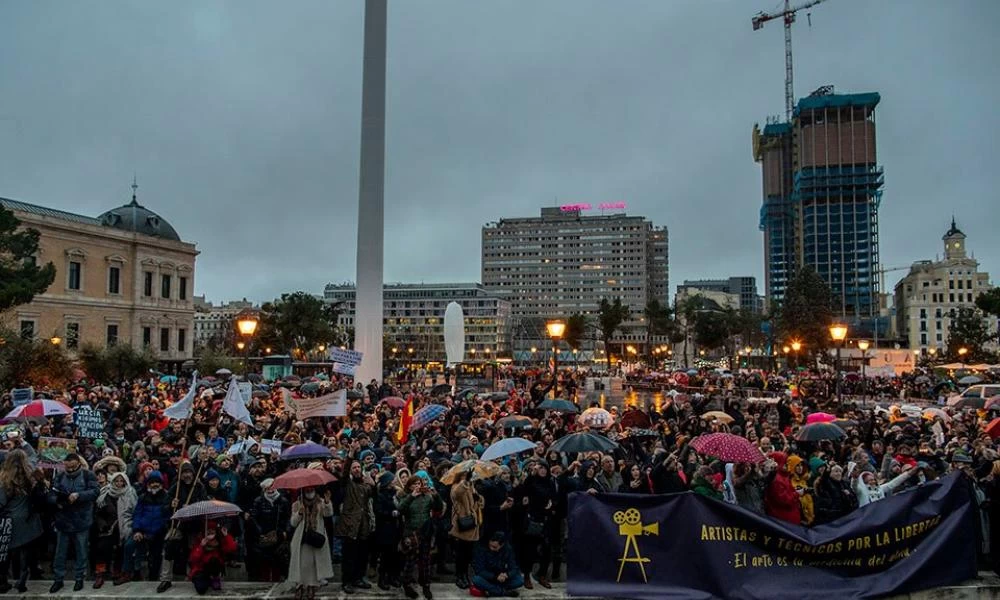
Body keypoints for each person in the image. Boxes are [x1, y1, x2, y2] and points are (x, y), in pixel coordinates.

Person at [47, 453, 99, 593]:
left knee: (81, 550)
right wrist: (57, 501)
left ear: (78, 464)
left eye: (72, 467)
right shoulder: (59, 477)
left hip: (81, 520)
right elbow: (51, 494)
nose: (69, 470)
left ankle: (79, 578)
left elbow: (95, 492)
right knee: (60, 553)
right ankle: (58, 579)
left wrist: (79, 495)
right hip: (63, 520)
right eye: (67, 467)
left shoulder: (88, 475)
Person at [0, 450, 45, 594]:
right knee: (27, 553)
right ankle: (22, 581)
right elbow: (40, 498)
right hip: (29, 520)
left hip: (10, 521)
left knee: (5, 553)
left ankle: (3, 582)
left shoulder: (4, 479)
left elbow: (1, 502)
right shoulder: (31, 477)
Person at [398, 472, 444, 599]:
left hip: (425, 533)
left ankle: (426, 585)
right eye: (415, 484)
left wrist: (436, 495)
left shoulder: (427, 497)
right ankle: (407, 585)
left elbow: (438, 508)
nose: (418, 486)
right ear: (410, 486)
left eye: (419, 483)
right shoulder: (405, 496)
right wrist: (411, 496)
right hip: (411, 533)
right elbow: (400, 509)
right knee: (410, 561)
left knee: (425, 561)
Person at [333, 458, 376, 594]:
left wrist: (374, 485)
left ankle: (358, 578)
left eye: (358, 467)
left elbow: (374, 497)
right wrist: (350, 455)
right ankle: (347, 581)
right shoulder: (348, 484)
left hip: (363, 526)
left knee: (362, 556)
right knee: (348, 556)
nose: (356, 469)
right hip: (350, 526)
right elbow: (344, 474)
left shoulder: (366, 484)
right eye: (354, 468)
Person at [287, 486, 335, 600]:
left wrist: (328, 502)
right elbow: (293, 523)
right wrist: (299, 513)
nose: (310, 493)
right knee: (301, 563)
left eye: (311, 490)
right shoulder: (297, 504)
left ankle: (311, 586)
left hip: (316, 536)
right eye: (307, 491)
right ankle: (299, 586)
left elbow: (328, 514)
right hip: (302, 538)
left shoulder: (320, 502)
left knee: (314, 563)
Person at [95, 471, 137, 588]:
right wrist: (103, 524)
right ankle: (100, 573)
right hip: (109, 528)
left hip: (125, 527)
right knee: (101, 549)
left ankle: (117, 571)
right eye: (116, 481)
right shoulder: (106, 494)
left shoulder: (130, 493)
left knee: (121, 550)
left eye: (121, 481)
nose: (119, 483)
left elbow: (134, 511)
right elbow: (98, 513)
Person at [249, 478, 291, 582]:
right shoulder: (258, 501)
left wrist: (285, 531)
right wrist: (260, 532)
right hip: (264, 533)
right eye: (267, 488)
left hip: (279, 533)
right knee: (264, 557)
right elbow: (254, 518)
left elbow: (287, 518)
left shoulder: (283, 501)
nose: (270, 490)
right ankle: (265, 577)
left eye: (272, 487)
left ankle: (279, 576)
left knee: (279, 556)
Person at [449, 469, 484, 590]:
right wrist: (466, 481)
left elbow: (480, 503)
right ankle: (459, 576)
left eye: (467, 475)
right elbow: (457, 494)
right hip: (462, 523)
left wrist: (478, 498)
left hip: (472, 523)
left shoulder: (471, 486)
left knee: (468, 553)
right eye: (464, 475)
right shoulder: (456, 486)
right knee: (461, 553)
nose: (466, 477)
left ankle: (465, 575)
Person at [188, 522, 238, 595]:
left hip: (214, 568)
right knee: (201, 590)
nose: (210, 531)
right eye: (208, 529)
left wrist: (226, 535)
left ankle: (215, 578)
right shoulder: (199, 539)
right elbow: (193, 559)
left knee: (213, 560)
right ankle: (208, 580)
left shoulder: (219, 540)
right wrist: (201, 546)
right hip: (200, 570)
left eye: (213, 529)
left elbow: (232, 548)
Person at [471, 532, 524, 598]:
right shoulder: (482, 549)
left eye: (494, 547)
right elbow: (479, 570)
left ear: (502, 545)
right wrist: (495, 577)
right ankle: (503, 592)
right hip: (489, 577)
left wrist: (507, 575)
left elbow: (514, 568)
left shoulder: (508, 549)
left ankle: (492, 590)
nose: (491, 548)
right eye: (490, 545)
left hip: (502, 578)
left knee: (520, 581)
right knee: (476, 579)